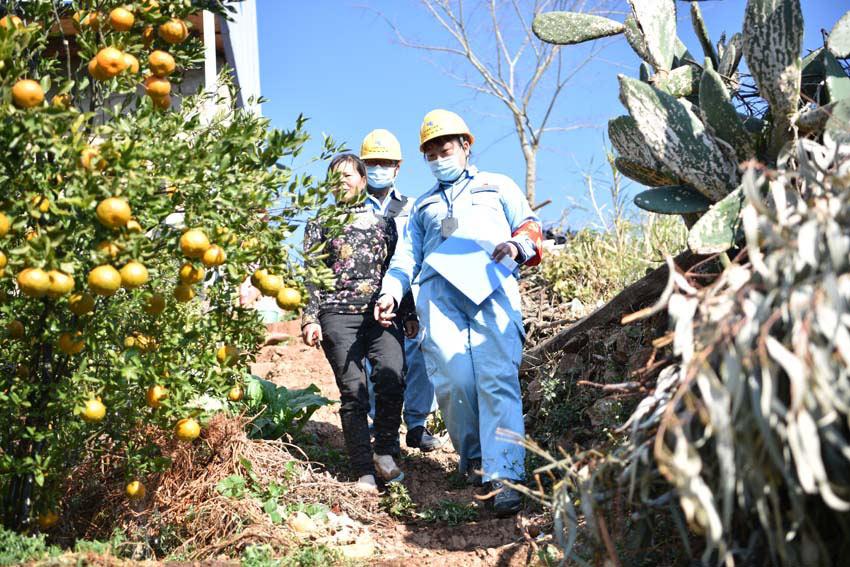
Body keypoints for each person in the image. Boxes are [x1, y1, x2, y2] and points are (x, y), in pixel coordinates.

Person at [374, 110, 543, 516]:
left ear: (466, 145)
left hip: (492, 289)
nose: (437, 157)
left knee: (497, 379)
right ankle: (475, 458)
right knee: (453, 380)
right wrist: (391, 292)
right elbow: (405, 258)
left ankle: (504, 476)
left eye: (444, 148)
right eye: (429, 152)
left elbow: (531, 227)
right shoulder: (424, 206)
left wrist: (516, 247)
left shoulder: (496, 186)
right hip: (439, 296)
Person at [302, 153, 408, 493]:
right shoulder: (320, 223)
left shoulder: (383, 223)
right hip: (337, 314)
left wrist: (409, 314)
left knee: (392, 375)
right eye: (335, 177)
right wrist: (309, 318)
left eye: (349, 175)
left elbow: (397, 269)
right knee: (354, 392)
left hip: (380, 313)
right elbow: (311, 276)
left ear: (363, 181)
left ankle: (385, 452)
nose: (342, 181)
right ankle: (363, 470)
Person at [359, 128, 444, 452]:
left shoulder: (413, 208)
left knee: (418, 354)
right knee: (373, 360)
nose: (379, 168)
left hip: (407, 291)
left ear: (398, 167)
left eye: (386, 162)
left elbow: (417, 252)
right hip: (366, 294)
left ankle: (418, 424)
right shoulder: (351, 209)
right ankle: (381, 425)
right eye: (373, 162)